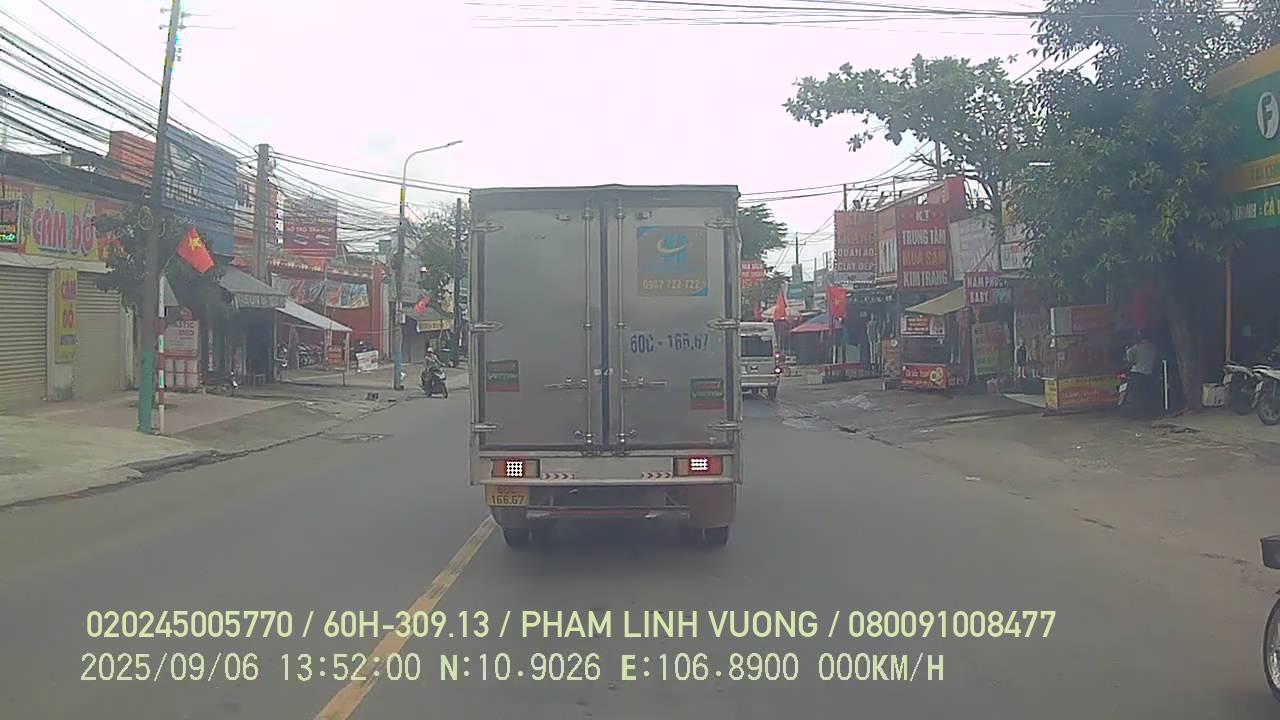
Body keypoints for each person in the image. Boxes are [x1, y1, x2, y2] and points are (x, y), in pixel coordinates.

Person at [1126, 331, 1159, 414]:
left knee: (1136, 393)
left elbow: (1129, 357)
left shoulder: (1136, 347)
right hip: (1149, 373)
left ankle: (1137, 411)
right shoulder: (1153, 347)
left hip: (1137, 373)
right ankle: (1147, 410)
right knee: (1146, 393)